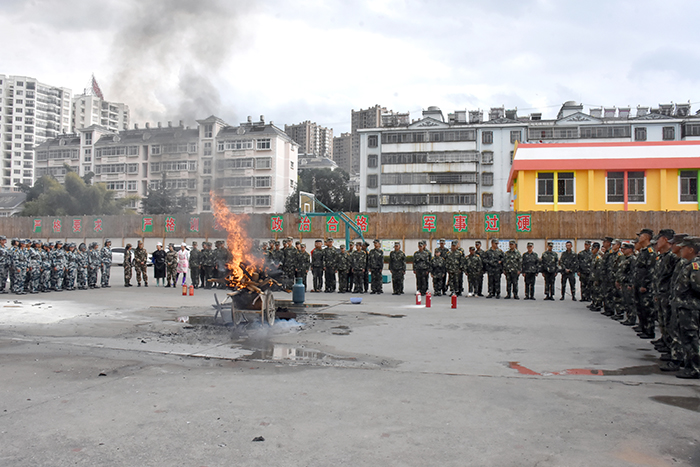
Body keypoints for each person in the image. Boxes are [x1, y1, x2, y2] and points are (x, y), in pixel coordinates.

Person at [670, 236, 700, 379]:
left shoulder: (695, 266)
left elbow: (697, 288)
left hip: (690, 308)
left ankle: (695, 368)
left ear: (691, 250)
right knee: (686, 338)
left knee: (691, 338)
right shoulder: (688, 264)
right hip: (684, 308)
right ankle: (689, 365)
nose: (681, 250)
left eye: (684, 248)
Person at [634, 228, 656, 339]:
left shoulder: (650, 252)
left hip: (645, 286)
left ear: (647, 237)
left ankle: (649, 331)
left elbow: (650, 270)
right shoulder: (643, 251)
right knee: (640, 307)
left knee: (647, 309)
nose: (639, 238)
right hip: (638, 283)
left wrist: (645, 285)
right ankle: (642, 327)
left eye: (641, 236)